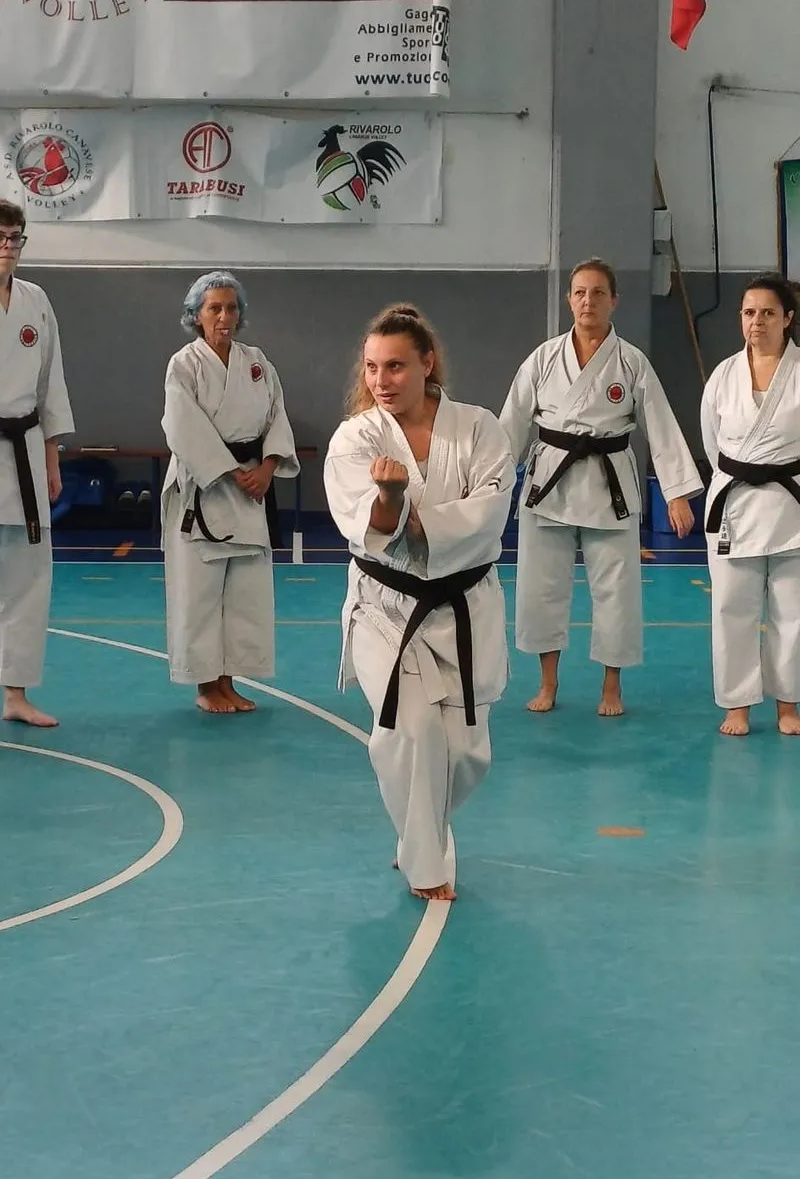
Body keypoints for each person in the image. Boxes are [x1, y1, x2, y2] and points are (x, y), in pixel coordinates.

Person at [324, 303, 515, 903]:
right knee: (411, 733)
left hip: (464, 604)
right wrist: (388, 499)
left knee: (467, 752)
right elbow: (366, 526)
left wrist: (416, 515)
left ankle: (417, 829)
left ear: (427, 363)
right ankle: (427, 866)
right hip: (386, 607)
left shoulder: (479, 428)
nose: (382, 380)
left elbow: (491, 511)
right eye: (373, 367)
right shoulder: (357, 437)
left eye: (396, 366)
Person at [499, 258, 703, 716]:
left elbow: (661, 425)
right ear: (569, 300)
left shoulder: (630, 361)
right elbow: (510, 424)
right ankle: (548, 682)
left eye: (597, 293)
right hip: (549, 485)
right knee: (540, 589)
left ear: (614, 301)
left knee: (617, 592)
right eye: (579, 292)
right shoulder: (544, 358)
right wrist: (489, 483)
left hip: (610, 486)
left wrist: (675, 493)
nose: (587, 301)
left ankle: (612, 687)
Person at [161, 273, 299, 713]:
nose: (224, 316)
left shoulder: (256, 362)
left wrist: (269, 467)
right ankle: (206, 687)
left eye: (231, 307)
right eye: (214, 308)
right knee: (201, 595)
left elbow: (277, 417)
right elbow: (181, 425)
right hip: (205, 488)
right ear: (196, 316)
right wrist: (229, 471)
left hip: (252, 487)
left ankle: (228, 683)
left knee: (243, 595)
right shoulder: (184, 364)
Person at [701, 275, 800, 737]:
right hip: (736, 504)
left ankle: (787, 704)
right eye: (748, 312)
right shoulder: (724, 375)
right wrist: (741, 473)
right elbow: (712, 441)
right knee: (731, 610)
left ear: (788, 318)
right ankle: (737, 705)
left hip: (790, 507)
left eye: (767, 313)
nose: (756, 321)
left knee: (792, 614)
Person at [0, 198, 73, 728]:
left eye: (15, 238)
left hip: (23, 451)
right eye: (0, 237)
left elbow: (51, 384)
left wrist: (52, 459)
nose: (8, 247)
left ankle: (16, 695)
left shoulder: (36, 301)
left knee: (28, 581)